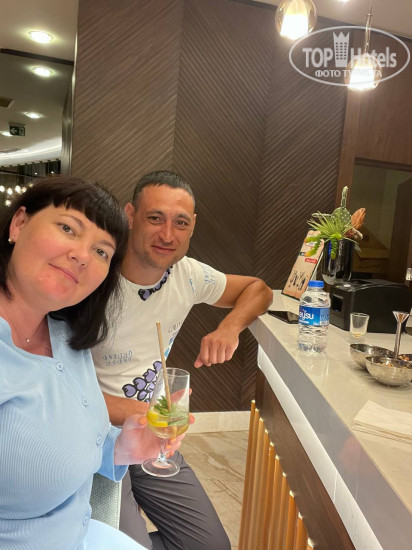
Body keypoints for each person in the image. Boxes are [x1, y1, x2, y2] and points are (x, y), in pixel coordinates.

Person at [0, 176, 184, 550]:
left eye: (102, 251)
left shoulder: (67, 339)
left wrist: (124, 447)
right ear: (19, 224)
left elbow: (56, 446)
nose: (83, 255)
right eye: (68, 228)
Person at [92, 171, 273, 550]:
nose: (167, 235)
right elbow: (60, 385)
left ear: (193, 227)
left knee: (212, 546)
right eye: (155, 218)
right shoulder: (93, 278)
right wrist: (142, 413)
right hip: (96, 442)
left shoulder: (187, 275)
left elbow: (259, 290)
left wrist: (229, 327)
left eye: (181, 223)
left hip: (153, 437)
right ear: (130, 215)